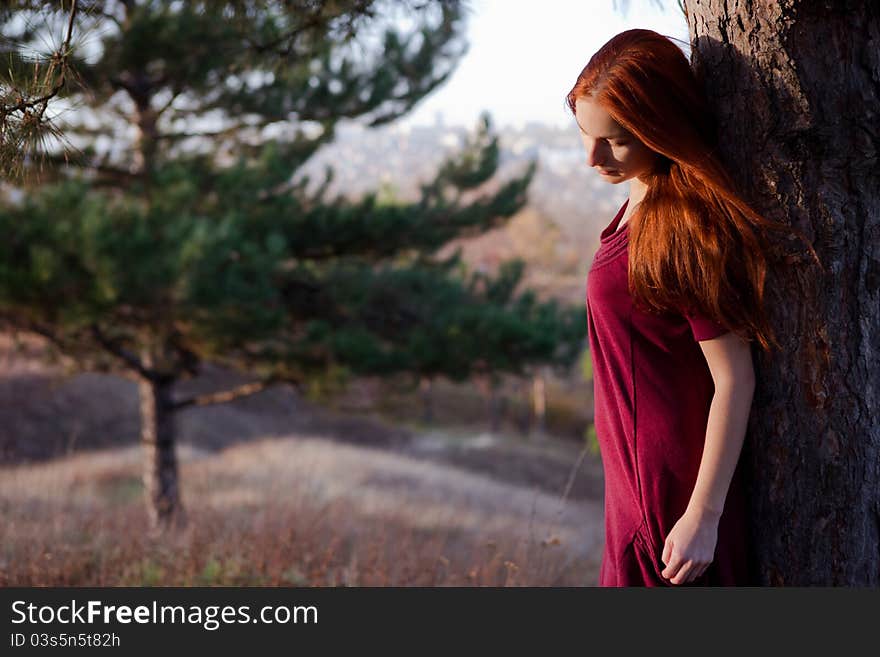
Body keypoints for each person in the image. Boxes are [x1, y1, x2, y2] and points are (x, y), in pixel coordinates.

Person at [566, 28, 799, 586]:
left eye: (615, 140)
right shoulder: (641, 200)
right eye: (584, 134)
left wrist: (703, 516)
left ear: (660, 129)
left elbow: (735, 378)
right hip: (632, 493)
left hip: (672, 512)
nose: (592, 158)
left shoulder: (684, 229)